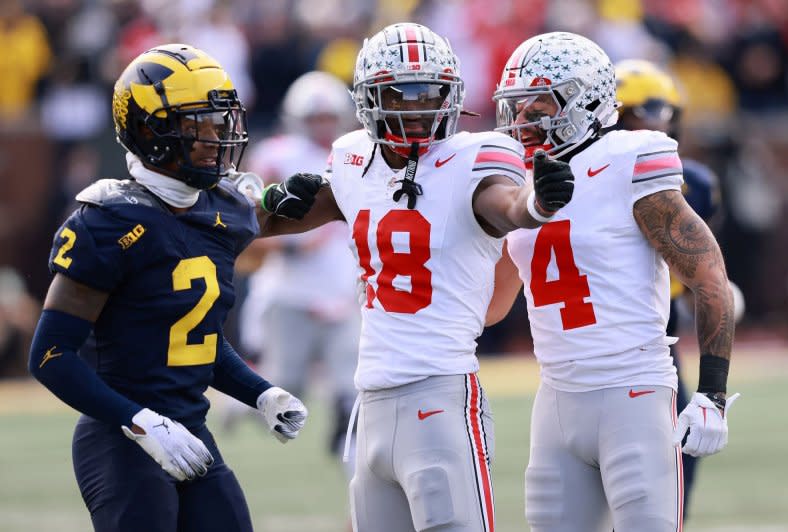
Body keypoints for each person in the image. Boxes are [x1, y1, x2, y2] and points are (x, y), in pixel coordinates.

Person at [257, 22, 576, 532]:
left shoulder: (474, 158)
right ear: (368, 98)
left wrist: (536, 204)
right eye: (399, 95)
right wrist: (256, 199)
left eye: (429, 94)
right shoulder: (350, 160)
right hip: (371, 403)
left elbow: (507, 205)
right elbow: (263, 220)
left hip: (440, 397)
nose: (416, 108)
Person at [27, 44, 307, 532]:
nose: (219, 137)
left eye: (222, 123)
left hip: (189, 429)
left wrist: (260, 393)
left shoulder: (222, 211)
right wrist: (139, 420)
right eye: (201, 125)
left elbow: (186, 337)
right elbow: (50, 355)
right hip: (120, 438)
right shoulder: (108, 222)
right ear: (151, 132)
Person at [486, 32, 739, 531]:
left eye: (536, 107)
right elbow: (491, 306)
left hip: (634, 393)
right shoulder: (517, 181)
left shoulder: (629, 159)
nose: (522, 122)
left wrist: (711, 392)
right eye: (515, 108)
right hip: (555, 398)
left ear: (584, 103)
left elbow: (708, 277)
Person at [614, 58, 737, 519]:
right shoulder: (590, 180)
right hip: (597, 339)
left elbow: (693, 268)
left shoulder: (697, 183)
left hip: (657, 341)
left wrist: (706, 291)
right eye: (637, 114)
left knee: (677, 463)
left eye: (662, 115)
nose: (652, 127)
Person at [233, 71, 362, 470]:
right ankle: (236, 405)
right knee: (287, 389)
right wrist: (294, 242)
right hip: (290, 295)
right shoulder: (278, 156)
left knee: (352, 383)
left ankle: (348, 439)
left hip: (340, 292)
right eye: (315, 118)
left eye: (329, 117)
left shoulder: (353, 153)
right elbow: (248, 224)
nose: (323, 125)